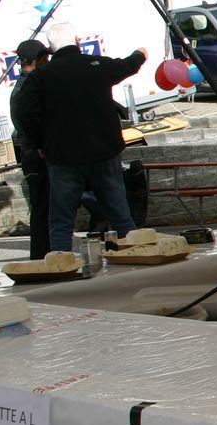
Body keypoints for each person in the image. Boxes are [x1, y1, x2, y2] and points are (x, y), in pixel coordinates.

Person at [13, 22, 146, 253]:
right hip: (104, 153)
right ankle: (136, 261)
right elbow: (127, 65)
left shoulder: (41, 77)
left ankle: (62, 270)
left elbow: (24, 114)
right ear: (77, 42)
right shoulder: (96, 65)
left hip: (63, 158)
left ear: (51, 49)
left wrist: (39, 143)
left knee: (62, 223)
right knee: (121, 217)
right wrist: (140, 55)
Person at [10, 39, 52, 259]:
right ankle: (41, 257)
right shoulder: (27, 88)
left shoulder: (26, 85)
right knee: (43, 209)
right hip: (36, 155)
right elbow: (26, 122)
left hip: (34, 152)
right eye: (45, 58)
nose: (48, 61)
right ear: (36, 60)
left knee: (44, 208)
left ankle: (46, 255)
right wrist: (41, 145)